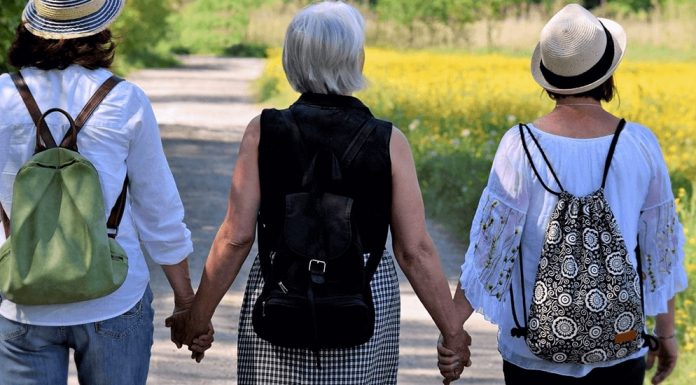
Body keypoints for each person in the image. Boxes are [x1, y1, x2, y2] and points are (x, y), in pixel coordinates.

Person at [167, 1, 470, 384]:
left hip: (281, 290)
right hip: (362, 294)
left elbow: (236, 237)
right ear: (355, 59)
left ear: (290, 59)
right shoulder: (389, 141)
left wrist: (198, 317)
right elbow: (414, 250)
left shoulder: (263, 131)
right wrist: (453, 332)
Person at [441, 3, 688, 385]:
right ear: (609, 75)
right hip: (620, 343)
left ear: (547, 79)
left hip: (531, 353)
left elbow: (491, 250)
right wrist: (666, 332)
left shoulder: (519, 146)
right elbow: (660, 248)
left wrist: (453, 330)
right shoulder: (639, 144)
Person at [0, 1, 205, 383]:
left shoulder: (2, 97)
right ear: (99, 29)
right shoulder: (124, 100)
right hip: (113, 293)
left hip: (22, 298)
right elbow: (158, 210)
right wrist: (186, 301)